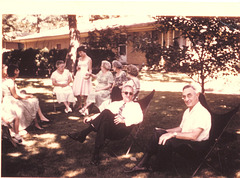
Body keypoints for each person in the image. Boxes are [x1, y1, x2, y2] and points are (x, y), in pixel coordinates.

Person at [125, 85, 211, 173]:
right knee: (159, 133)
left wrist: (172, 134)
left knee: (168, 141)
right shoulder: (188, 111)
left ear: (197, 95)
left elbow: (194, 136)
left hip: (196, 146)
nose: (186, 99)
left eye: (189, 95)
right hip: (187, 140)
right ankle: (142, 164)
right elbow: (181, 128)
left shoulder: (202, 113)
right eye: (184, 96)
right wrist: (165, 131)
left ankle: (157, 168)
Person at [68, 85, 143, 165]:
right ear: (122, 94)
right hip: (110, 129)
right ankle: (95, 155)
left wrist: (124, 120)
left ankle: (83, 134)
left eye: (130, 93)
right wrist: (91, 118)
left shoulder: (135, 106)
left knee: (107, 114)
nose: (128, 95)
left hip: (122, 130)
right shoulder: (115, 103)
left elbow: (139, 118)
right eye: (126, 93)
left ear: (133, 95)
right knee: (104, 121)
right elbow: (102, 114)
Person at [2, 64, 50, 131]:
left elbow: (16, 94)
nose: (18, 71)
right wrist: (27, 97)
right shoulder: (10, 82)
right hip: (11, 101)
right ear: (14, 71)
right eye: (17, 70)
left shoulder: (10, 81)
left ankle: (38, 121)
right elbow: (15, 96)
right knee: (33, 101)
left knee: (33, 100)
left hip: (11, 99)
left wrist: (27, 96)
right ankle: (39, 119)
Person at [72, 46, 93, 110]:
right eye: (79, 53)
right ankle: (80, 104)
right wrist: (77, 68)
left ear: (84, 52)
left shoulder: (89, 59)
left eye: (81, 52)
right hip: (79, 74)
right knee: (77, 90)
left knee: (84, 91)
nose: (80, 54)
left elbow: (90, 69)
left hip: (85, 75)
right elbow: (77, 67)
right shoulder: (79, 59)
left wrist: (89, 75)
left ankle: (85, 105)